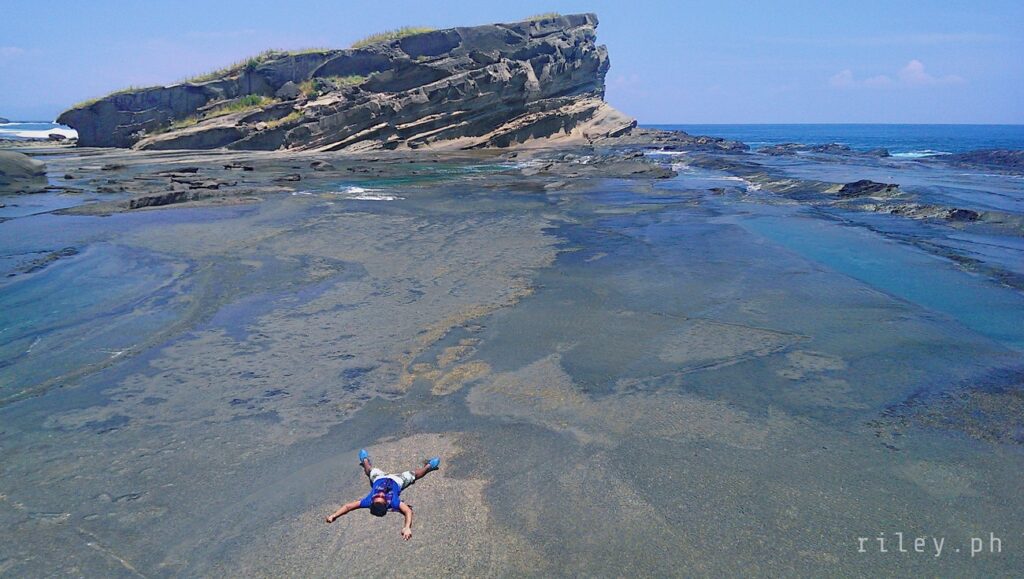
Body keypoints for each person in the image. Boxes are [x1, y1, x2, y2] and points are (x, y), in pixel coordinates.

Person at [325, 449, 441, 540]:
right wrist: (407, 528)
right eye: (382, 498)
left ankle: (364, 460)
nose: (380, 494)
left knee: (369, 471)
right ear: (386, 504)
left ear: (372, 502)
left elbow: (348, 507)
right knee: (414, 475)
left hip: (379, 478)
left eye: (377, 497)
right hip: (397, 480)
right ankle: (429, 466)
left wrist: (334, 515)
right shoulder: (394, 502)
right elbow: (408, 511)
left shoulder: (369, 501)